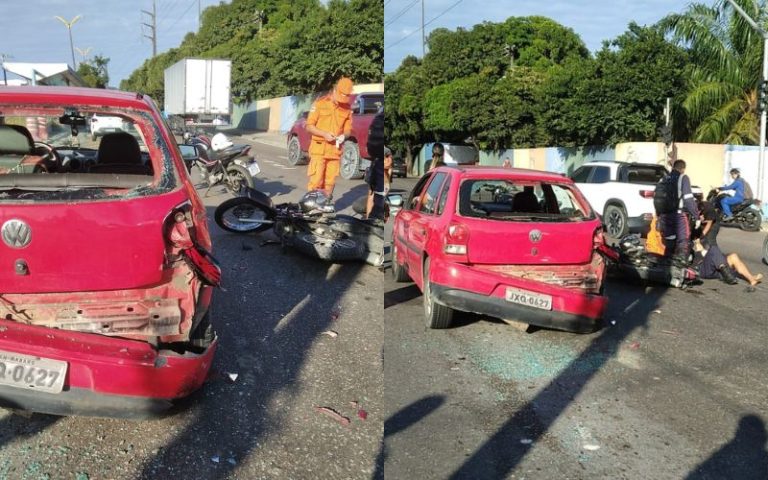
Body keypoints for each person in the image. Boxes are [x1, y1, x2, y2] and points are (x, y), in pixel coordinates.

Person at [304, 77, 354, 198]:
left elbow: (348, 130)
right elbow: (309, 126)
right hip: (319, 149)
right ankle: (312, 209)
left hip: (335, 151)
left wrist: (344, 136)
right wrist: (324, 134)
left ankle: (325, 206)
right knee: (316, 182)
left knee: (330, 183)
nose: (342, 101)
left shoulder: (347, 109)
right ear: (335, 90)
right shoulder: (319, 104)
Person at [659, 159, 700, 265]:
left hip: (664, 216)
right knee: (683, 242)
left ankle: (666, 267)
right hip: (678, 216)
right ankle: (679, 270)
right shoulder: (683, 178)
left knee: (669, 243)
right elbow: (688, 198)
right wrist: (696, 216)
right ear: (683, 169)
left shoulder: (664, 178)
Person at [693, 238, 763, 287]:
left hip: (716, 267)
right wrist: (697, 244)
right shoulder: (688, 240)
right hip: (703, 269)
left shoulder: (705, 235)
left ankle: (751, 279)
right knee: (714, 249)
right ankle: (727, 275)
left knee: (733, 256)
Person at [365, 109, 385, 221]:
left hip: (376, 159)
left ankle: (368, 221)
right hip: (379, 160)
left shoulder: (378, 116)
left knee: (372, 192)